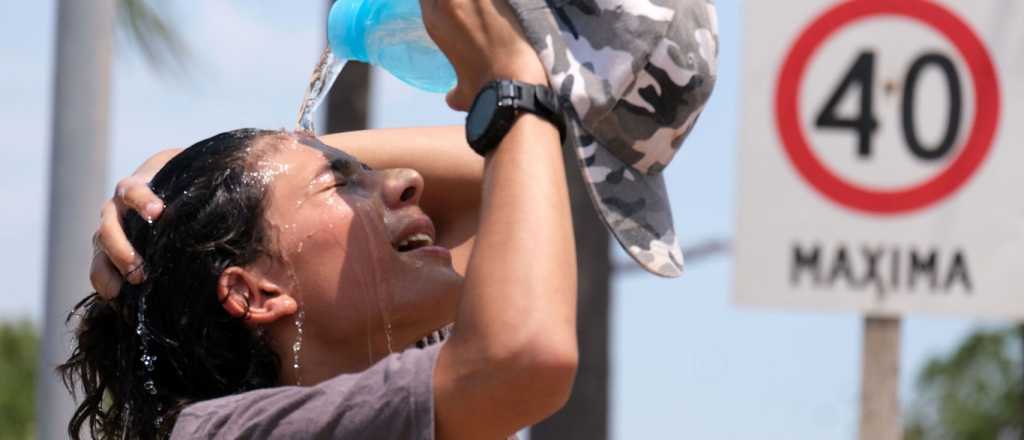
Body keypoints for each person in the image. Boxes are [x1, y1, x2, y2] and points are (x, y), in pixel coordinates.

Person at [75, 0, 718, 438]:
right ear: (253, 290)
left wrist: (200, 166)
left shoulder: (395, 355)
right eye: (341, 180)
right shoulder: (222, 431)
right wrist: (515, 79)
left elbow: (547, 168)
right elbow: (525, 354)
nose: (409, 182)